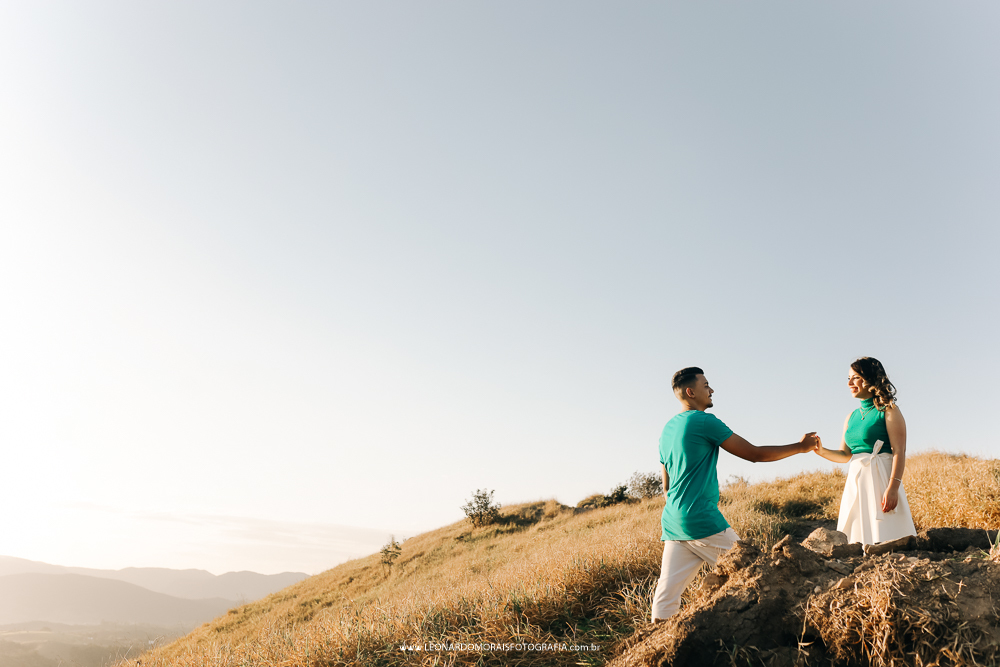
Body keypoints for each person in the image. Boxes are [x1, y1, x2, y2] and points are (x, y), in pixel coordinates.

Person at [650, 367, 820, 622]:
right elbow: (754, 454)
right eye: (706, 385)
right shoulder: (704, 421)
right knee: (757, 573)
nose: (711, 390)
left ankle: (655, 651)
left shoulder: (667, 430)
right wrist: (800, 447)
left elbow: (666, 486)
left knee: (666, 596)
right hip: (703, 521)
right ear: (691, 392)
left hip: (674, 522)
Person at [814, 357, 916, 545]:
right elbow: (845, 455)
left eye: (855, 377)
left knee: (886, 531)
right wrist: (821, 450)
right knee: (854, 532)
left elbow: (899, 451)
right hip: (856, 478)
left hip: (882, 476)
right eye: (848, 378)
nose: (849, 383)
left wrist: (893, 488)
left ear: (870, 379)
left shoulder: (889, 410)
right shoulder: (850, 417)